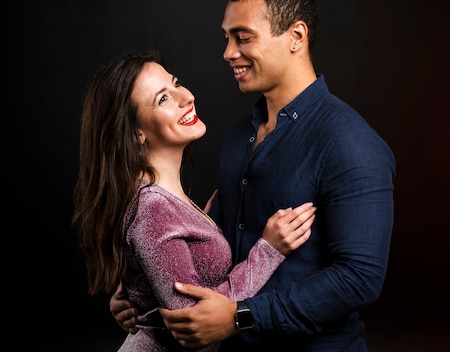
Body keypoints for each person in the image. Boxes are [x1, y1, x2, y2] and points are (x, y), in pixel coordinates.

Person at [110, 0, 396, 350]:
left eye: (243, 38)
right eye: (227, 38)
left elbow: (359, 278)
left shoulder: (350, 143)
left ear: (295, 36)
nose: (229, 53)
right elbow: (204, 258)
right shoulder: (238, 138)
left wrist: (239, 316)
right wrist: (142, 292)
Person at [72, 49, 316, 351]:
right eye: (163, 99)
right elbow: (193, 324)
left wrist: (204, 228)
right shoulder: (153, 209)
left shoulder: (162, 201)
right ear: (136, 133)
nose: (185, 97)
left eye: (175, 83)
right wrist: (268, 252)